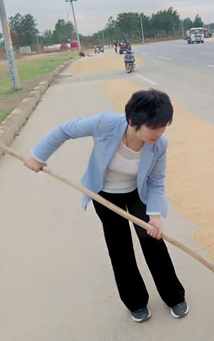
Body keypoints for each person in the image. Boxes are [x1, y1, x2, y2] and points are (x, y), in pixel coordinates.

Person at [23, 89, 188, 323]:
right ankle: (135, 302)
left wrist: (154, 215)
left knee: (152, 239)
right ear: (133, 121)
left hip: (138, 193)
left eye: (163, 126)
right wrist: (38, 155)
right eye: (154, 127)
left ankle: (174, 296)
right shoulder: (105, 124)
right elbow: (65, 130)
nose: (159, 133)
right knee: (119, 247)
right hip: (106, 195)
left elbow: (156, 181)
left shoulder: (160, 144)